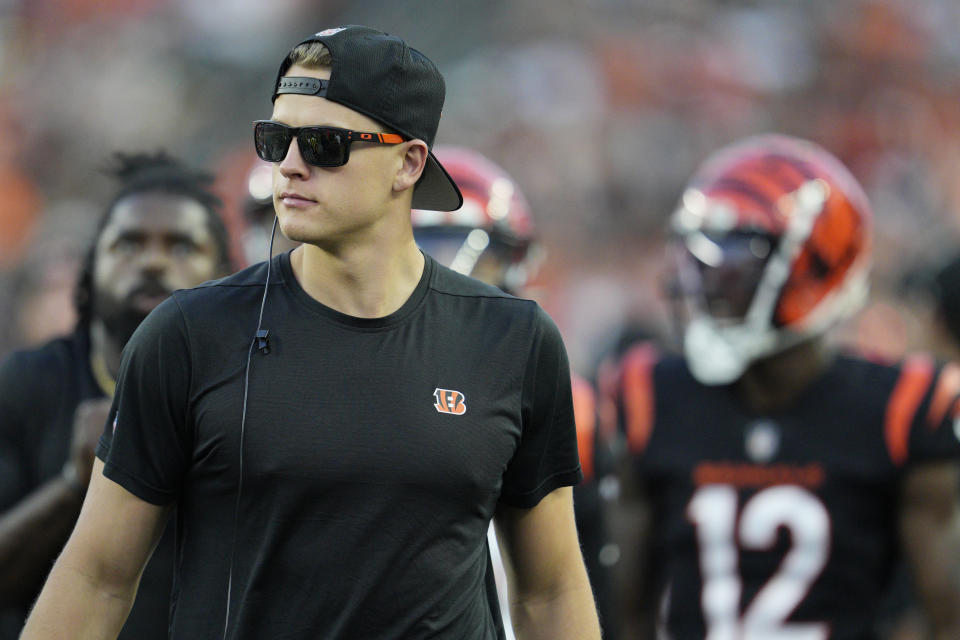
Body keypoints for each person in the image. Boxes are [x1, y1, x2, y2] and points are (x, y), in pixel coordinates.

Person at [22, 25, 601, 640]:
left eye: (325, 144)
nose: (291, 166)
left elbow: (550, 590)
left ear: (408, 164)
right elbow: (97, 576)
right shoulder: (188, 334)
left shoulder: (513, 339)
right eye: (277, 140)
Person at [610, 134, 960, 638]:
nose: (708, 278)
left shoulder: (902, 409)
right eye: (701, 253)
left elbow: (944, 618)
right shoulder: (647, 394)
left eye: (736, 255)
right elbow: (624, 614)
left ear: (815, 261)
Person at [0, 151, 234, 640]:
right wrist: (74, 483)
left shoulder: (251, 389)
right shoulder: (25, 382)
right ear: (90, 268)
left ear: (226, 271)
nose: (152, 260)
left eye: (182, 246)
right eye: (128, 244)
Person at [411, 144, 620, 639]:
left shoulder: (565, 398)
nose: (452, 279)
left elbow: (577, 584)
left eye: (475, 257)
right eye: (427, 247)